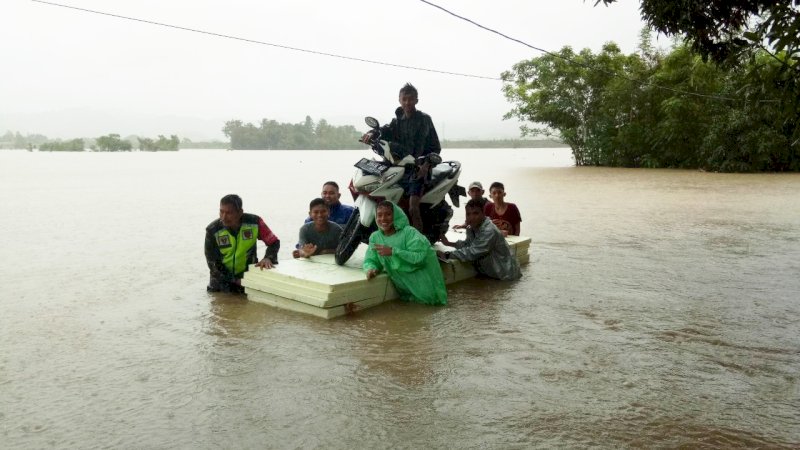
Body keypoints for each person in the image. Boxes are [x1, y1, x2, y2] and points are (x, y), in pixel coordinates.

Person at [361, 83, 441, 232]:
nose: (407, 102)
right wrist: (372, 133)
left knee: (412, 207)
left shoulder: (424, 120)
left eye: (410, 99)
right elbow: (383, 130)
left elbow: (436, 147)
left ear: (416, 100)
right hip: (398, 166)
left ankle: (419, 244)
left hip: (417, 170)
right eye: (404, 99)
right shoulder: (397, 121)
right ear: (399, 100)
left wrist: (427, 165)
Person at [363, 201, 447, 306]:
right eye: (379, 215)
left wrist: (394, 252)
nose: (383, 219)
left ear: (396, 215)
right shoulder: (375, 237)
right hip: (403, 291)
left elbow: (421, 258)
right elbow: (371, 259)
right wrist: (371, 268)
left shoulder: (409, 233)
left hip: (423, 289)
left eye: (388, 214)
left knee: (430, 310)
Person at [205, 194, 280, 293]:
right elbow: (213, 263)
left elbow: (274, 242)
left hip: (247, 278)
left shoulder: (255, 222)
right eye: (221, 212)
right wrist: (235, 281)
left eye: (229, 213)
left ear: (240, 212)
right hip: (220, 284)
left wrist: (268, 258)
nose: (223, 217)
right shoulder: (212, 230)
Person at [438, 199, 522, 281]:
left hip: (506, 275)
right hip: (491, 274)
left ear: (483, 214)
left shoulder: (489, 230)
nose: (471, 217)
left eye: (475, 213)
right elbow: (469, 245)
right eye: (468, 214)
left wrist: (448, 255)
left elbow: (474, 251)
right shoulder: (471, 228)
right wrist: (449, 243)